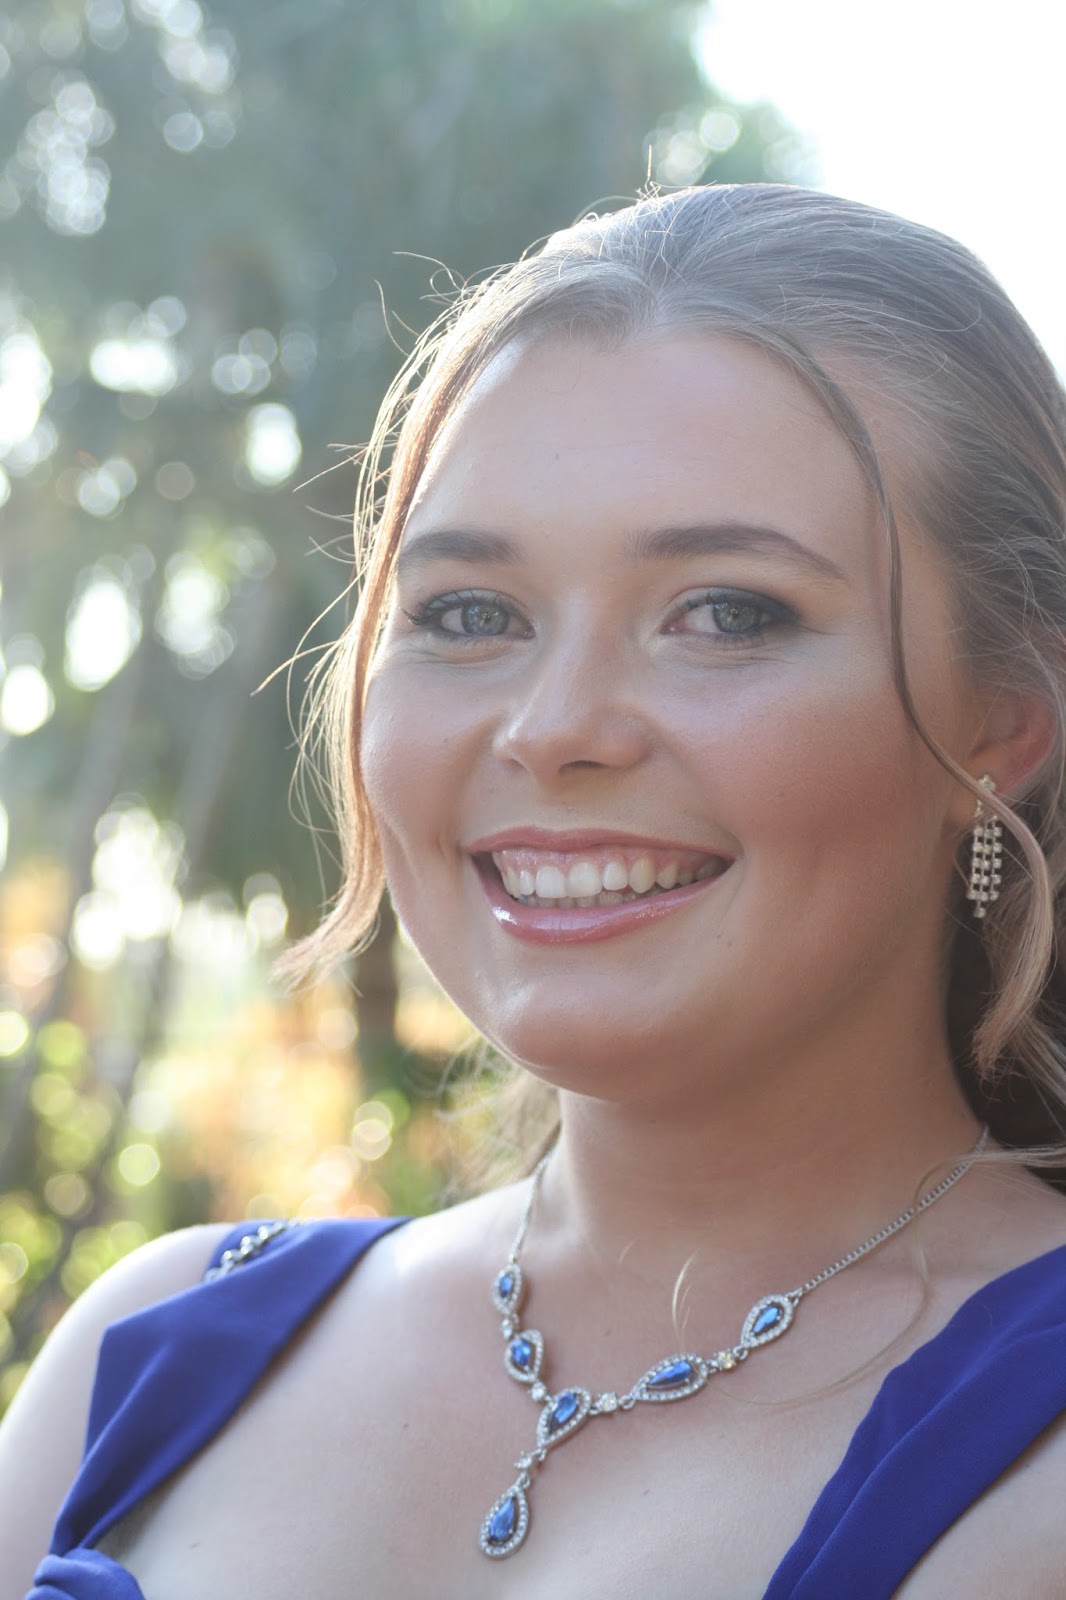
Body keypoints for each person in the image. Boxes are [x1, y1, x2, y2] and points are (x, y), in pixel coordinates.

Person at [3, 182, 1066, 1600]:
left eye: (725, 613)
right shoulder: (143, 1360)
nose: (555, 726)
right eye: (469, 614)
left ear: (1004, 717)